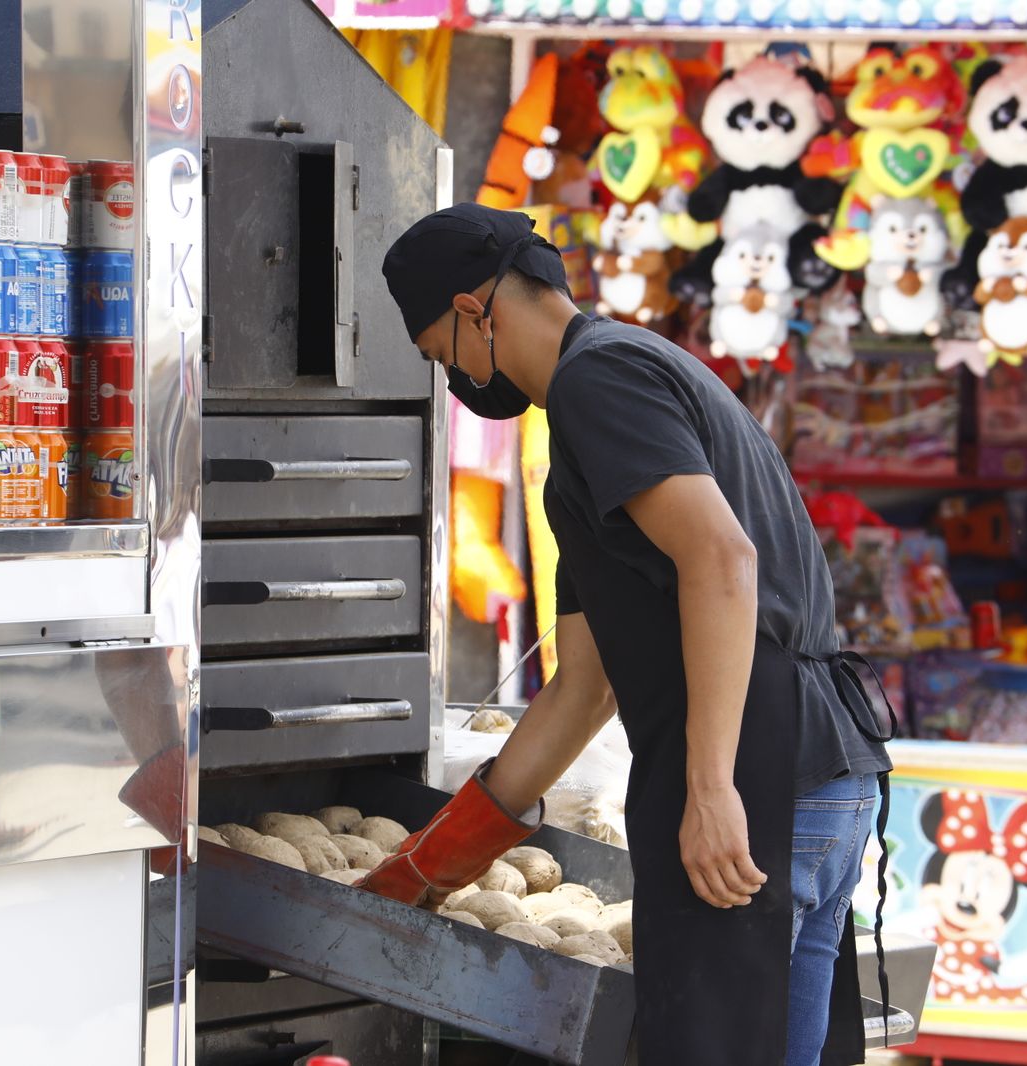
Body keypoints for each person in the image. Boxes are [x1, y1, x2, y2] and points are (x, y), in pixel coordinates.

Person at [366, 203, 895, 1066]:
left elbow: (722, 559)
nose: (453, 378)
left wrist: (714, 788)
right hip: (827, 774)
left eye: (440, 355)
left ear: (473, 312)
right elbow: (584, 685)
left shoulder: (596, 384)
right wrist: (440, 860)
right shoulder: (619, 389)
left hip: (761, 779)